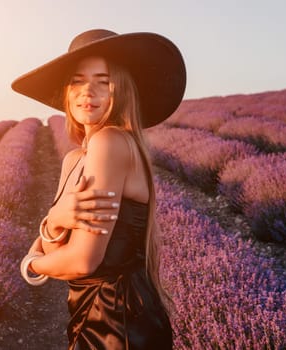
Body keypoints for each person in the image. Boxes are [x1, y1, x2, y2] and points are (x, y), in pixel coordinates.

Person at [13, 29, 186, 349]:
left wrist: (29, 263)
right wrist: (53, 221)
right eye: (77, 80)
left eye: (103, 81)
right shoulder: (74, 159)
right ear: (66, 92)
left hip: (117, 322)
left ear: (121, 91)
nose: (87, 91)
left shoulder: (111, 142)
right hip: (90, 315)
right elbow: (57, 247)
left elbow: (80, 261)